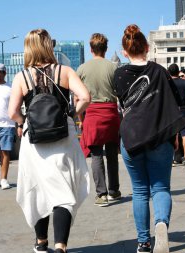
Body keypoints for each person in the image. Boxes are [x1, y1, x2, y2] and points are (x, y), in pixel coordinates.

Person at [8, 28, 91, 253]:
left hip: (33, 140)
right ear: (48, 45)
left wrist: (25, 121)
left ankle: (41, 242)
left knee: (37, 189)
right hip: (62, 136)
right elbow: (85, 97)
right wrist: (72, 115)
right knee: (64, 191)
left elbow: (12, 112)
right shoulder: (64, 71)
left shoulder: (21, 76)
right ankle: (61, 245)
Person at [114, 24, 185, 253]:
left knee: (140, 190)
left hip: (132, 138)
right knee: (161, 187)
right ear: (147, 47)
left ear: (125, 51)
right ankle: (162, 223)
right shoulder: (159, 70)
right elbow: (173, 102)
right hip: (159, 136)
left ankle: (143, 243)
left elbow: (121, 106)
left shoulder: (119, 74)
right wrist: (174, 134)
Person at [77, 33, 121, 207]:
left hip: (92, 114)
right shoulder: (113, 68)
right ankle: (114, 190)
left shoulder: (82, 69)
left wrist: (81, 118)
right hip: (110, 113)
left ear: (91, 48)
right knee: (111, 154)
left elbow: (77, 98)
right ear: (106, 49)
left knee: (96, 155)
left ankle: (101, 194)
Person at [168, 64, 185, 168]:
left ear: (168, 72)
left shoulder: (167, 83)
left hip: (171, 110)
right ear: (178, 72)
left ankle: (171, 159)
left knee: (171, 135)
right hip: (183, 109)